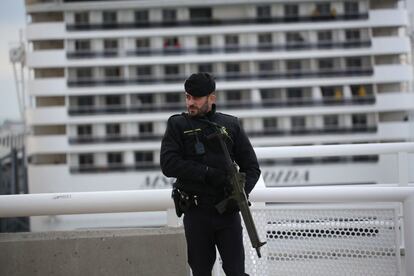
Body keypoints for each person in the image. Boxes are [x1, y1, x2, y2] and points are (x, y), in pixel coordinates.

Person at [160, 72, 261, 276]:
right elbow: (169, 164)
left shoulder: (230, 125)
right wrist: (207, 173)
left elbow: (252, 168)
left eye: (196, 97)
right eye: (188, 97)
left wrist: (239, 194)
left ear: (211, 98)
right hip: (196, 213)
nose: (190, 102)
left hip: (228, 214)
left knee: (236, 272)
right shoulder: (177, 125)